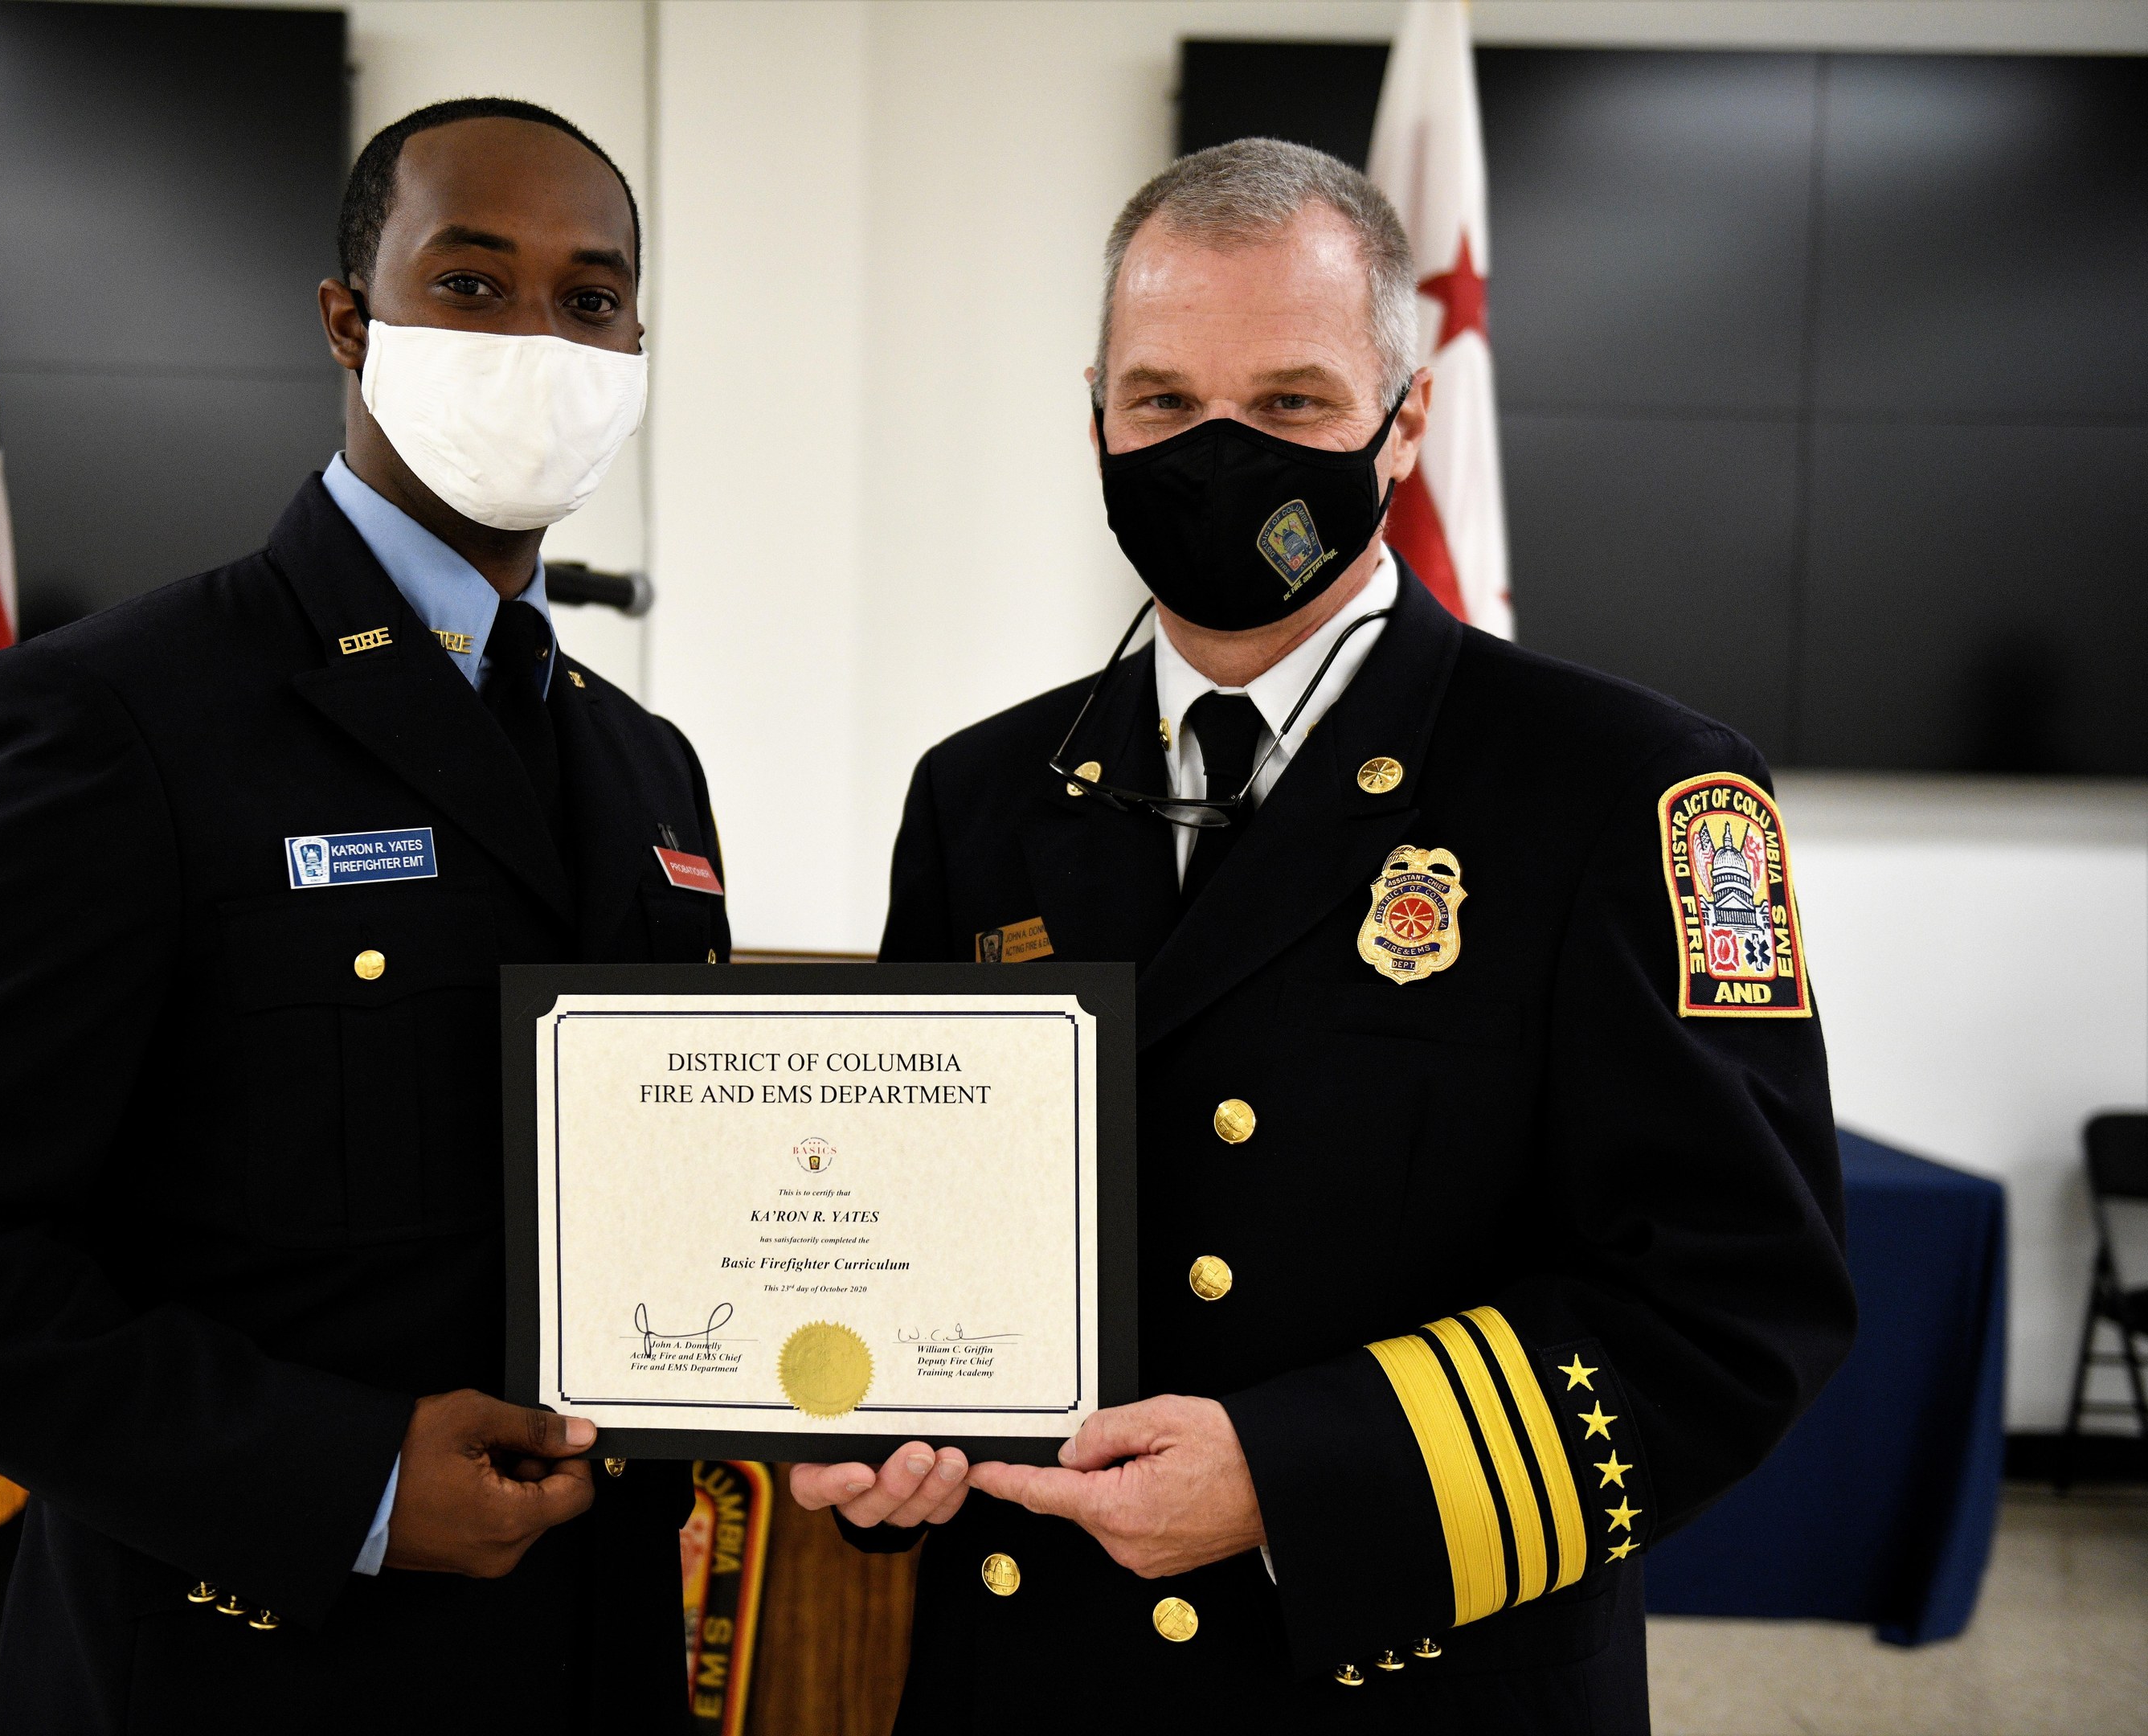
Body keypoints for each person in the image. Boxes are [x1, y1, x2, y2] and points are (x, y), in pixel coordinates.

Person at [789, 138, 1855, 1730]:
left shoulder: (1626, 790)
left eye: (1288, 404)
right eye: (1161, 404)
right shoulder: (983, 795)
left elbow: (1734, 1313)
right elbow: (925, 1230)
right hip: (1031, 1670)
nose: (1215, 455)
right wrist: (876, 1424)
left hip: (1407, 1677)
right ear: (1096, 416)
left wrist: (1294, 1477)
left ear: (1403, 420)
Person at [0, 99, 722, 1732]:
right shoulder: (115, 718)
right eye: (476, 285)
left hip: (593, 1662)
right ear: (347, 323)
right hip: (245, 1667)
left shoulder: (648, 771)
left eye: (591, 302)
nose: (539, 343)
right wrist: (343, 1476)